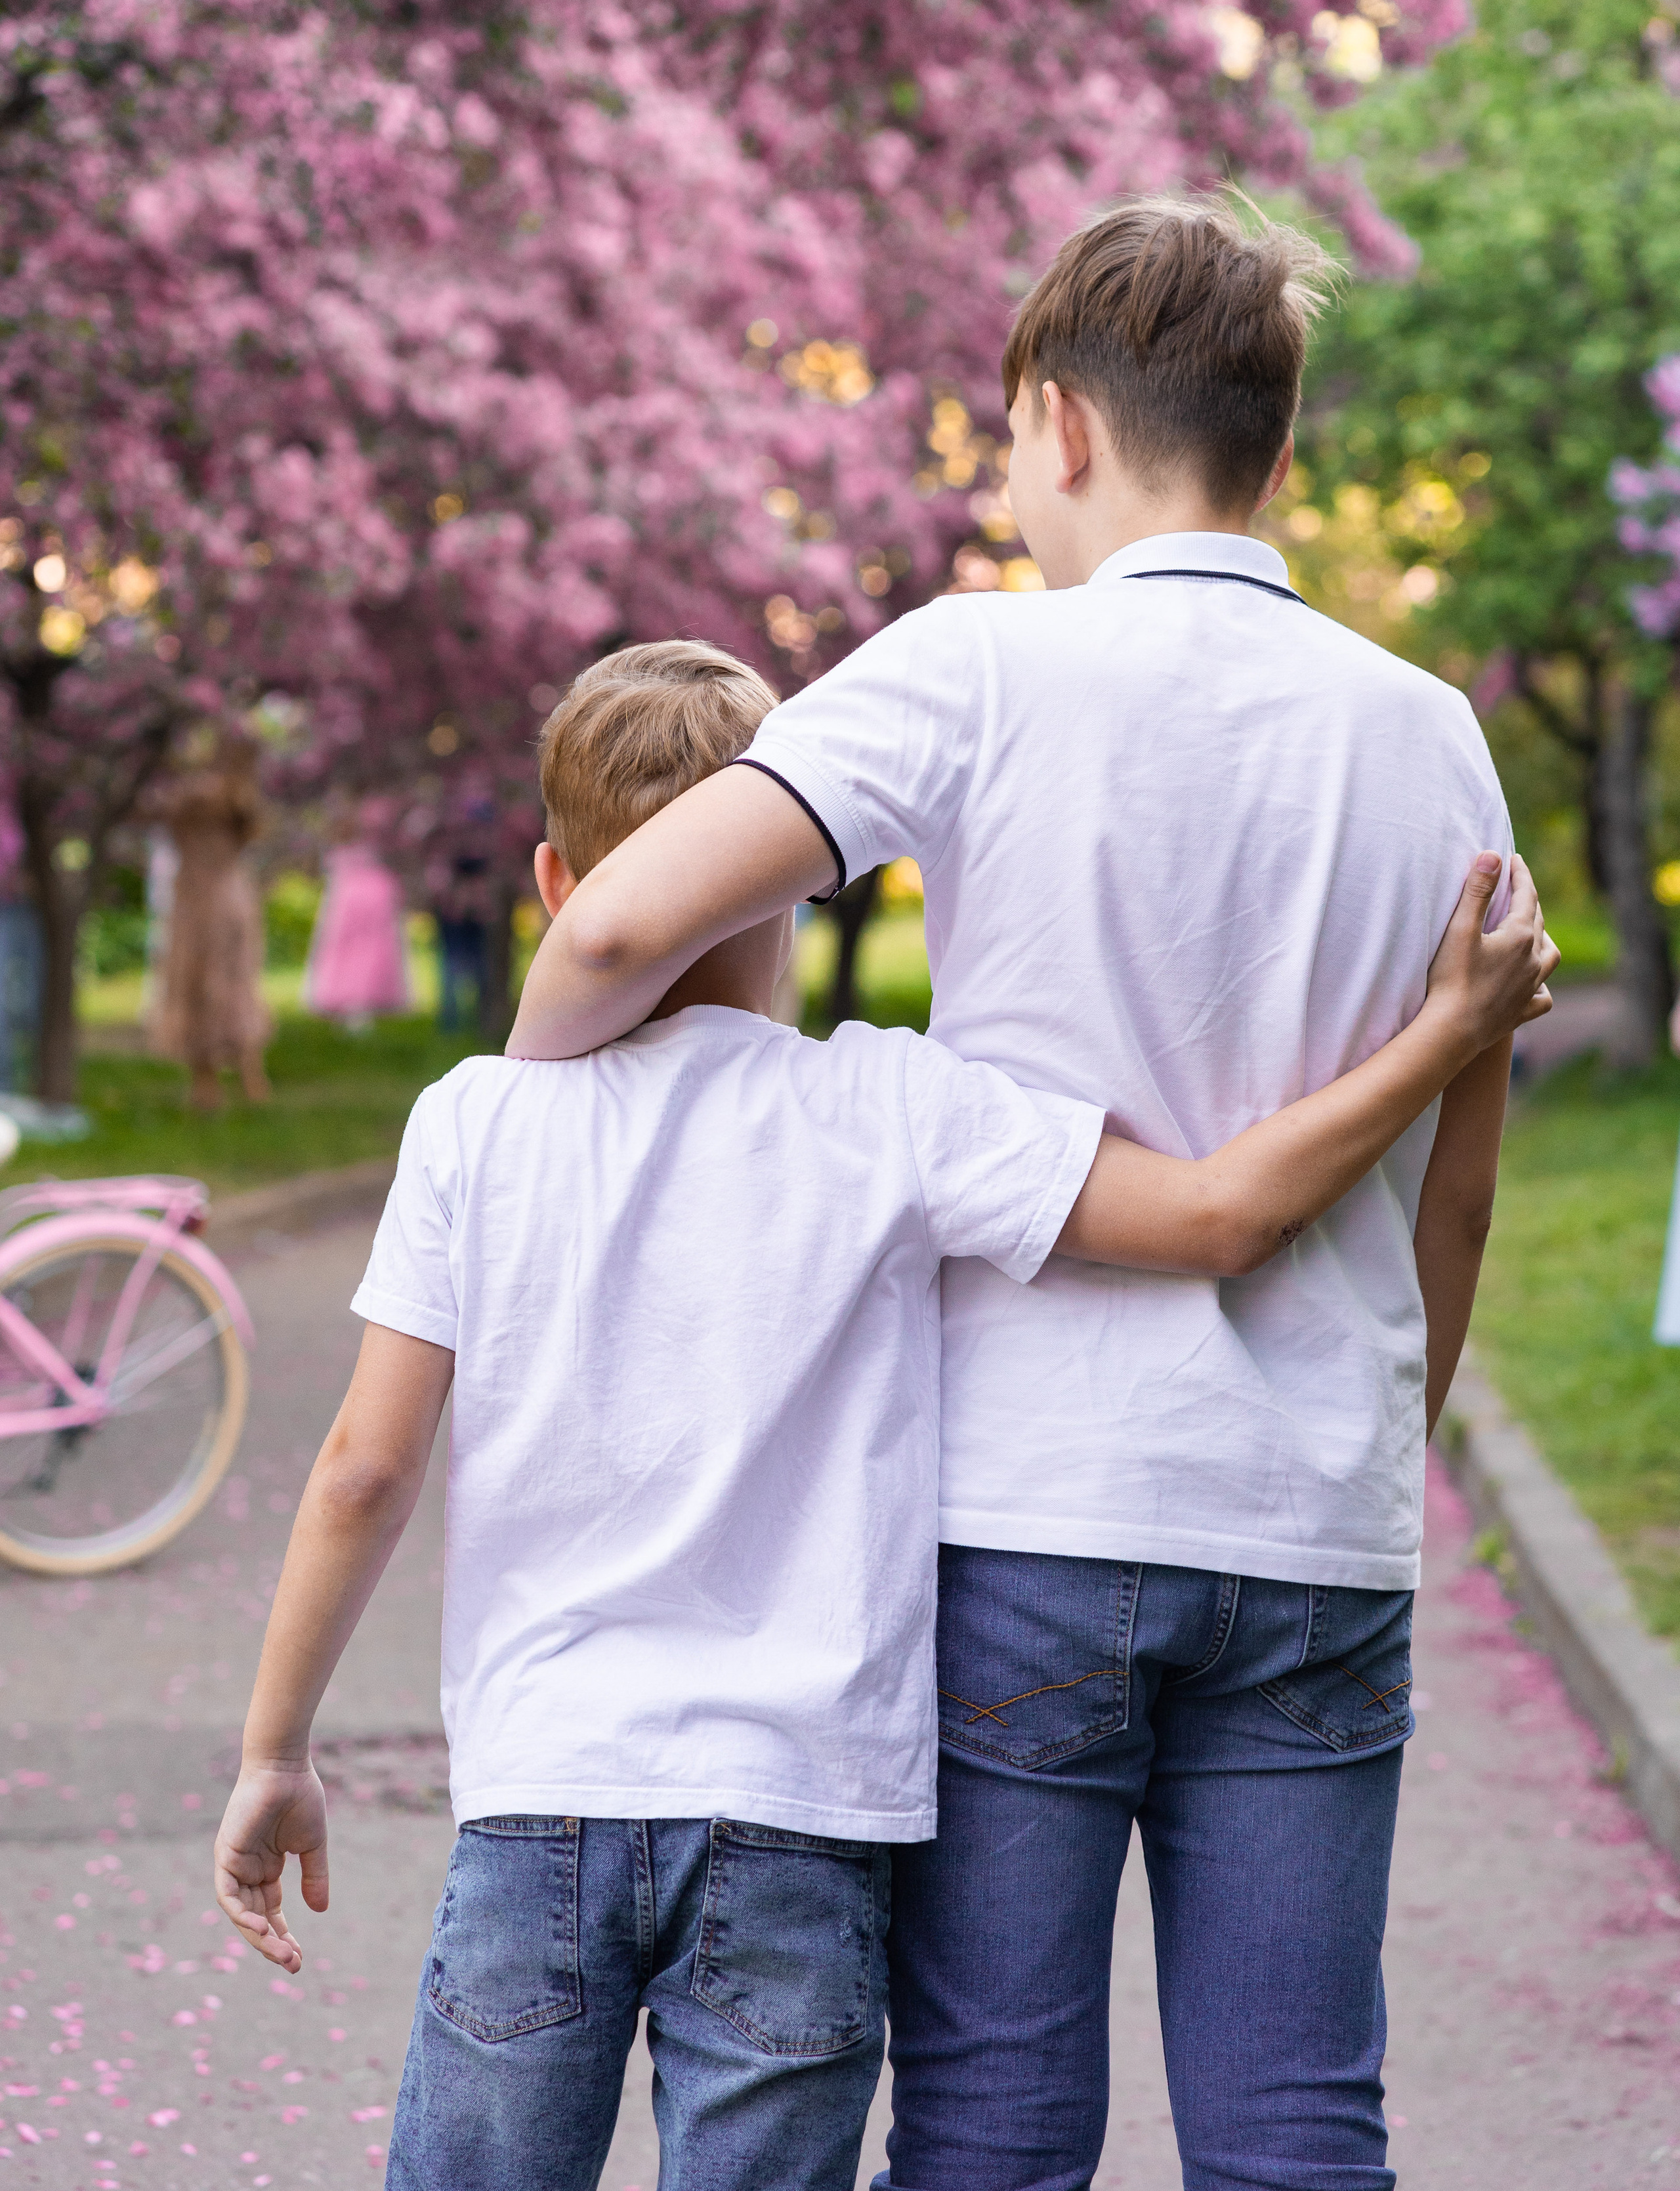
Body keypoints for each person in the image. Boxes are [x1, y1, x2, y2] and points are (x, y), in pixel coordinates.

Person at [213, 642, 1551, 2191]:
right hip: (801, 1816)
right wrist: (1443, 1038)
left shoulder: (473, 1121)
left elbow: (363, 1467)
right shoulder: (892, 1108)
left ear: (549, 876)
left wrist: (276, 1747)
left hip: (541, 1804)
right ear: (799, 879)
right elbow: (1211, 1216)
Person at [503, 198, 1531, 2191]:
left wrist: (538, 1152)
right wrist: (1356, 1457)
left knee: (986, 2123)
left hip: (1022, 1518)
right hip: (1311, 1518)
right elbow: (1463, 1184)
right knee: (1301, 2120)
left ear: (1056, 423)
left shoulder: (972, 667)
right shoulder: (1432, 739)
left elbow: (622, 916)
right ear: (1281, 454)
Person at [148, 728, 272, 1113]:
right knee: (199, 983)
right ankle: (212, 1081)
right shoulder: (191, 793)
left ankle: (245, 1076)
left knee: (225, 981)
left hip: (218, 899)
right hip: (195, 900)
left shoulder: (223, 796)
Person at [304, 807, 411, 1029]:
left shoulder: (354, 838)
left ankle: (357, 1004)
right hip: (365, 897)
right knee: (361, 951)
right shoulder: (367, 838)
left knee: (359, 951)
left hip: (355, 898)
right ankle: (353, 1004)